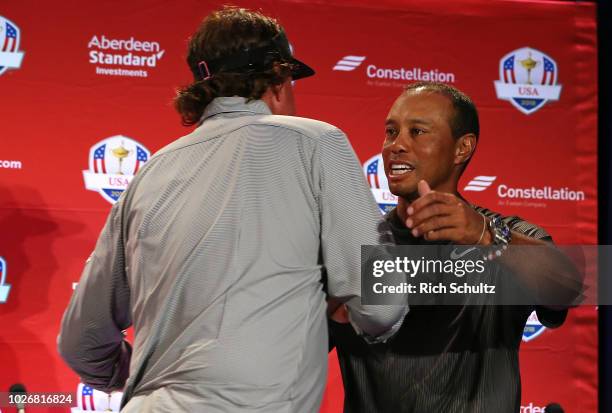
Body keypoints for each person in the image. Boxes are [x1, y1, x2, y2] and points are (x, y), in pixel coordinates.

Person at [58, 7, 407, 413]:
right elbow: (381, 306)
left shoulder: (148, 175)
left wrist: (145, 383)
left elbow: (81, 341)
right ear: (278, 81)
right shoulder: (316, 143)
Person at [330, 82, 581, 413]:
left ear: (462, 148)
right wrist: (329, 303)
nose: (396, 145)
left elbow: (570, 289)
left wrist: (486, 237)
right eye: (391, 131)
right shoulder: (352, 248)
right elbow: (293, 355)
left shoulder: (505, 239)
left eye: (417, 131)